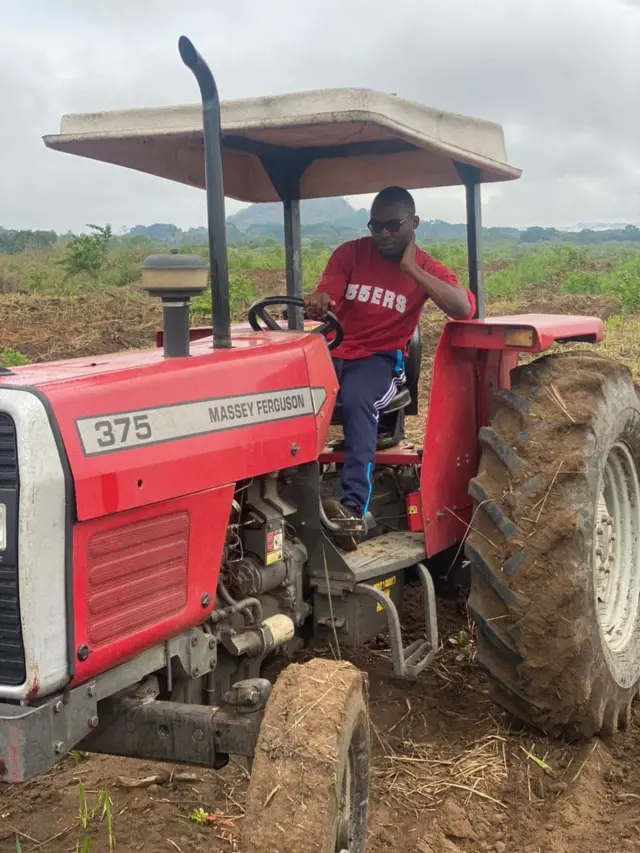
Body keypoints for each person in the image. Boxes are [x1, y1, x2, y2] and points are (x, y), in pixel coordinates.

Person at [304, 185, 475, 533]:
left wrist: (411, 269)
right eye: (376, 225)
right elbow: (329, 292)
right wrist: (320, 298)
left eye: (393, 226)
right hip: (334, 351)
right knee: (288, 395)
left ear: (413, 222)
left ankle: (352, 507)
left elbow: (463, 308)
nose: (383, 233)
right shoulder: (350, 254)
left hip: (380, 361)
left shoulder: (426, 267)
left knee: (357, 399)